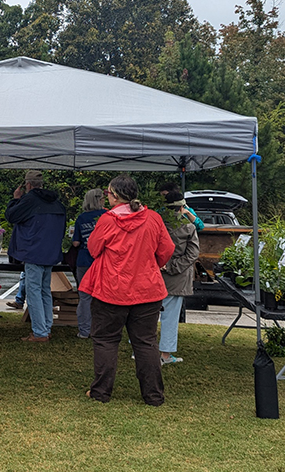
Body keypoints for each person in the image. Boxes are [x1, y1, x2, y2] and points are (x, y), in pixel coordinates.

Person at [79, 174, 174, 406]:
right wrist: (151, 262)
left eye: (108, 193)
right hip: (147, 290)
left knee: (106, 341)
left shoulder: (108, 220)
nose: (106, 197)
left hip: (111, 290)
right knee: (146, 343)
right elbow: (167, 249)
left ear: (116, 196)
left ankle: (101, 392)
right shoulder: (153, 218)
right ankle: (153, 396)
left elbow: (93, 248)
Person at [5, 170, 66, 342]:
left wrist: (16, 199)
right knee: (45, 291)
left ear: (28, 185)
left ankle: (40, 332)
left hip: (33, 252)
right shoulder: (56, 202)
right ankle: (46, 327)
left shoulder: (29, 200)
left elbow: (11, 216)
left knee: (33, 292)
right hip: (50, 253)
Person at [158, 191, 200, 366]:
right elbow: (193, 253)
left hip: (154, 275)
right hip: (177, 278)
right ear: (182, 207)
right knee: (170, 317)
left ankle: (140, 351)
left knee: (147, 315)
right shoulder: (188, 226)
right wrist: (173, 266)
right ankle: (165, 355)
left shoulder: (157, 223)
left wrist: (159, 263)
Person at [71, 189, 106, 339]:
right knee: (103, 297)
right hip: (102, 261)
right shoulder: (106, 217)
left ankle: (84, 331)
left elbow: (76, 242)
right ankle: (101, 330)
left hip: (84, 260)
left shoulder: (81, 218)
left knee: (85, 297)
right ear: (100, 200)